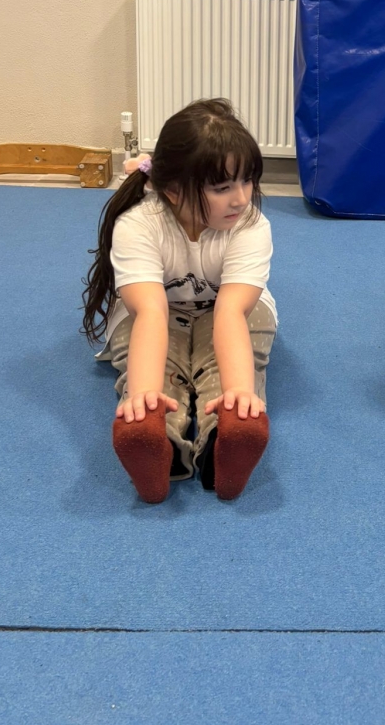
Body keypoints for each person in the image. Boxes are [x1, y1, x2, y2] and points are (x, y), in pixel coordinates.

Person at [82, 99, 276, 504]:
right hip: (156, 313)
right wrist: (143, 395)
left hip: (228, 311)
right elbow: (150, 312)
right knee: (156, 369)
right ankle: (158, 439)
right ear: (172, 191)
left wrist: (240, 392)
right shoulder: (138, 225)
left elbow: (231, 311)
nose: (241, 199)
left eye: (247, 181)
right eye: (222, 188)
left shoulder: (250, 226)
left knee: (232, 357)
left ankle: (224, 437)